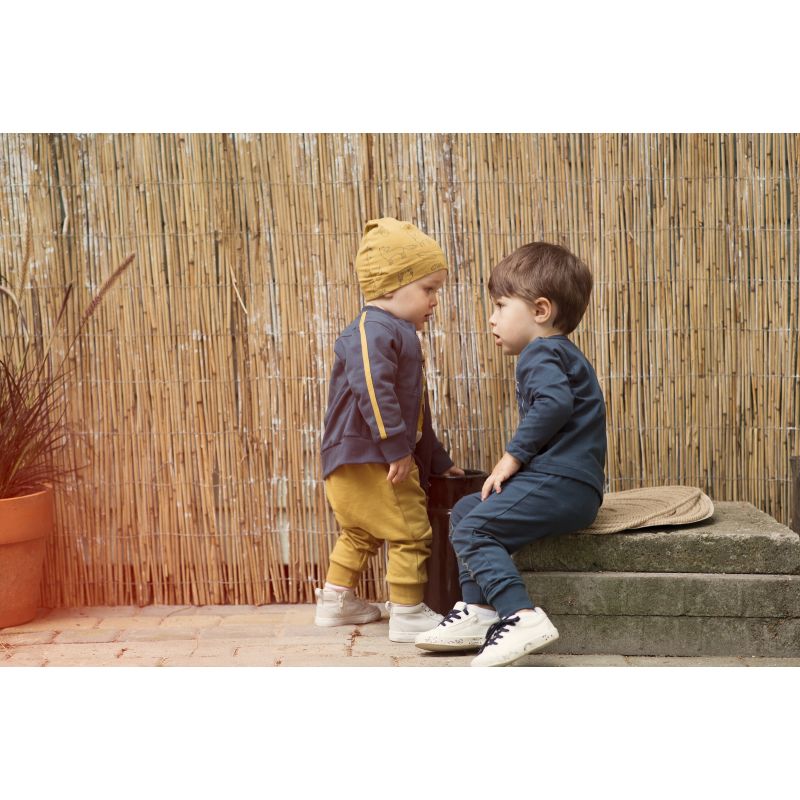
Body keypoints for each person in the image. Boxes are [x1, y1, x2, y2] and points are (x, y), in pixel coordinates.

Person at [415, 241, 606, 666]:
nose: (492, 318)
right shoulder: (562, 354)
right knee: (468, 510)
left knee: (473, 529)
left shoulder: (540, 352)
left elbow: (554, 405)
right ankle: (479, 610)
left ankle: (520, 615)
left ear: (541, 310)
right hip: (569, 486)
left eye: (501, 305)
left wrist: (512, 456)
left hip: (559, 484)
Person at [315, 217, 464, 642]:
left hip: (353, 454)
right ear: (391, 285)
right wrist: (395, 448)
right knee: (411, 530)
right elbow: (372, 388)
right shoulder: (373, 330)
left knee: (361, 530)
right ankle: (408, 613)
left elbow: (416, 411)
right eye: (429, 288)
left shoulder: (392, 330)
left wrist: (438, 460)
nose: (435, 300)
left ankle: (335, 601)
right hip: (374, 456)